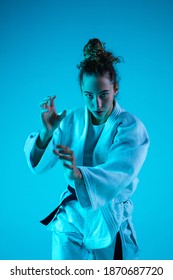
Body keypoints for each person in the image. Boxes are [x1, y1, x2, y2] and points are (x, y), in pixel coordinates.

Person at [24, 38, 149, 260]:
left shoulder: (130, 127)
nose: (97, 104)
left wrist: (79, 173)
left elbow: (119, 171)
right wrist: (47, 133)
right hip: (72, 215)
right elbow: (38, 167)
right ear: (81, 91)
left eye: (104, 94)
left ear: (115, 89)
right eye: (89, 96)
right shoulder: (70, 119)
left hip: (110, 215)